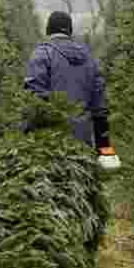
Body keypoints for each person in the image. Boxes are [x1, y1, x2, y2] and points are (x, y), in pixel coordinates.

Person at [21, 11, 115, 158]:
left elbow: (34, 98)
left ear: (48, 30)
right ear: (70, 31)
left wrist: (26, 137)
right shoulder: (89, 59)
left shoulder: (42, 54)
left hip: (50, 144)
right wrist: (105, 150)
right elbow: (100, 109)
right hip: (83, 142)